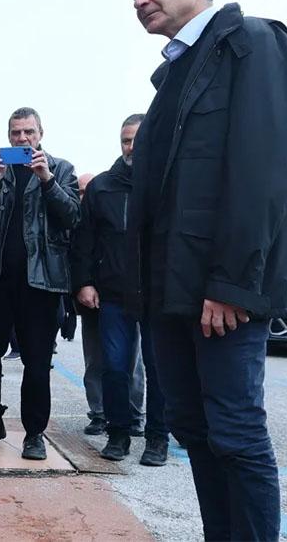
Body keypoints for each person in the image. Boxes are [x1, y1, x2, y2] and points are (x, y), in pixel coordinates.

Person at [127, 0, 287, 540]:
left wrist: (231, 282)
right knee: (194, 429)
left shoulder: (253, 43)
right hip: (171, 295)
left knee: (235, 433)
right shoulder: (172, 75)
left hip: (223, 293)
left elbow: (265, 172)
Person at [0, 107, 79, 460]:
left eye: (28, 132)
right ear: (9, 136)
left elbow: (71, 216)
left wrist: (47, 180)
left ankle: (34, 433)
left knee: (36, 362)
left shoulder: (61, 169)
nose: (22, 138)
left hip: (41, 282)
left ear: (40, 134)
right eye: (16, 133)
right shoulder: (1, 170)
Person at [71, 115, 168, 466]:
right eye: (126, 140)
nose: (132, 147)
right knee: (114, 367)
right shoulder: (101, 188)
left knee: (159, 369)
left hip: (158, 295)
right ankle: (118, 434)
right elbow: (84, 240)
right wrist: (84, 282)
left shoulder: (168, 183)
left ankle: (157, 438)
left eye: (138, 140)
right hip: (113, 293)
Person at [73, 172, 146, 437]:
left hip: (136, 290)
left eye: (86, 191)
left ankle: (134, 413)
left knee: (133, 359)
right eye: (79, 191)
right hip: (98, 291)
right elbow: (82, 244)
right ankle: (100, 413)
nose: (83, 196)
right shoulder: (98, 193)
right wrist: (84, 283)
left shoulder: (146, 186)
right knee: (96, 358)